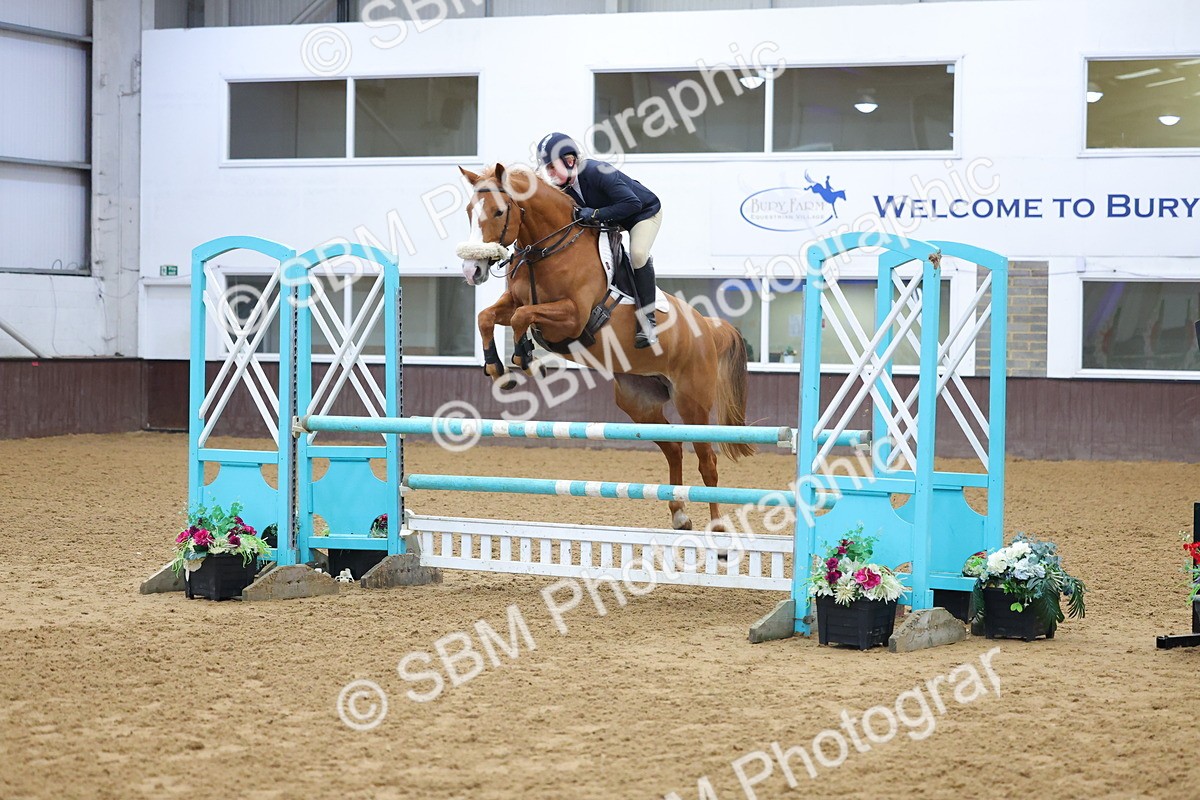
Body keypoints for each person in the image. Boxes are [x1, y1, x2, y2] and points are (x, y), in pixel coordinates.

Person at [536, 132, 662, 349]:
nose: (550, 174)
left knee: (638, 254)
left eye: (552, 167)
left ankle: (648, 321)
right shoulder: (562, 187)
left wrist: (594, 214)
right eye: (546, 169)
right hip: (613, 218)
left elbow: (632, 204)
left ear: (570, 160)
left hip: (642, 213)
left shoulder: (596, 171)